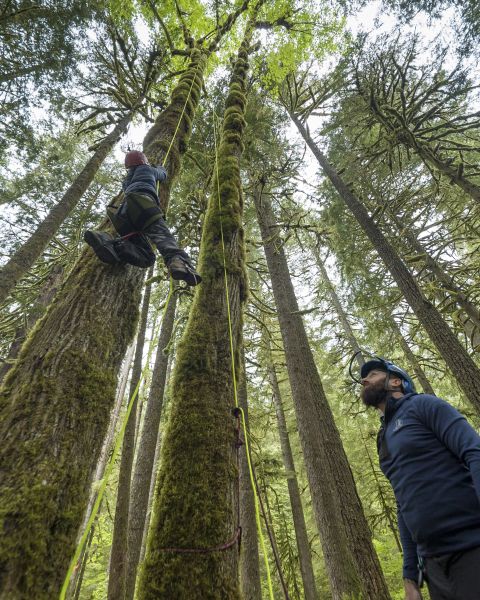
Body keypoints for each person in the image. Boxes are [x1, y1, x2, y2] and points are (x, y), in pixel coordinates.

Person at [359, 357, 480, 600]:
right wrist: (410, 577)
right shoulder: (383, 440)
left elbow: (474, 452)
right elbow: (403, 504)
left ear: (396, 381)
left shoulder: (424, 405)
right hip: (433, 566)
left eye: (373, 374)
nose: (364, 380)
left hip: (472, 547)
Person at [84, 150, 202, 286]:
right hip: (143, 205)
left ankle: (111, 245)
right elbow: (162, 175)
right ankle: (179, 262)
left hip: (123, 213)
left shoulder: (128, 179)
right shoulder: (146, 168)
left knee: (148, 257)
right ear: (143, 161)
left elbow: (125, 188)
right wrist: (160, 168)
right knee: (164, 237)